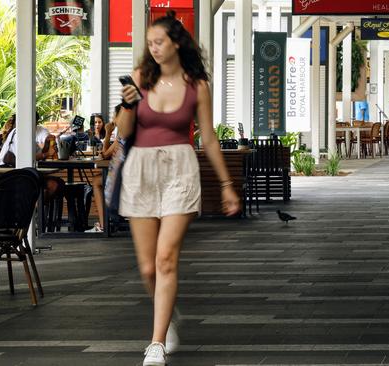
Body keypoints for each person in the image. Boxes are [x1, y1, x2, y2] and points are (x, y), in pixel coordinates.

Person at [116, 12, 241, 366]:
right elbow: (124, 132)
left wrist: (227, 185)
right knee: (147, 269)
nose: (153, 48)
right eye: (150, 43)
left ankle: (155, 343)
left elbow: (209, 138)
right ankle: (166, 314)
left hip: (180, 170)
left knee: (166, 257)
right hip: (140, 169)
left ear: (176, 43)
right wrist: (127, 103)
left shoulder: (197, 85)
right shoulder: (140, 79)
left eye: (159, 42)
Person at [86, 106, 122, 233]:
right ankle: (109, 219)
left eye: (113, 116)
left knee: (96, 181)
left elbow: (105, 154)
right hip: (130, 174)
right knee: (99, 178)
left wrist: (108, 133)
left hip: (123, 178)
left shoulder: (122, 135)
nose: (112, 119)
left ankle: (103, 224)